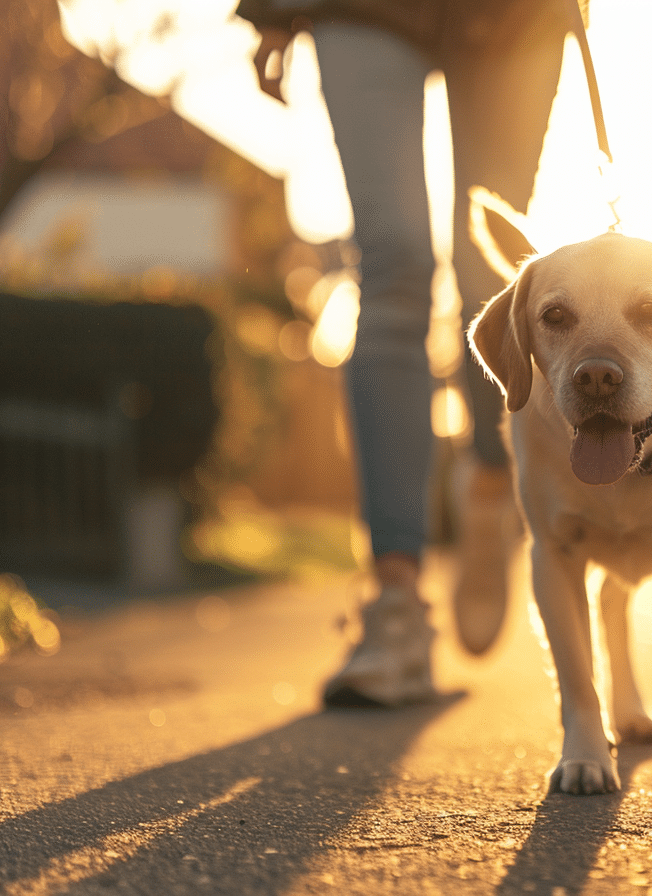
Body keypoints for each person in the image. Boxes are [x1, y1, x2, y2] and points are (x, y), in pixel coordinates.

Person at [236, 0, 571, 706]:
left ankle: (489, 481)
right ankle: (395, 604)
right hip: (360, 8)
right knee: (393, 267)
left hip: (517, 15)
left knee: (489, 273)